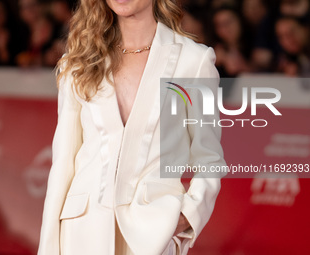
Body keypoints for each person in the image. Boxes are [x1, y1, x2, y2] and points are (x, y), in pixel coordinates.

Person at [37, 0, 227, 254]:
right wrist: (48, 247)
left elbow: (209, 159)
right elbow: (63, 164)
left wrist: (184, 217)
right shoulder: (79, 61)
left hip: (151, 234)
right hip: (81, 231)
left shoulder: (193, 60)